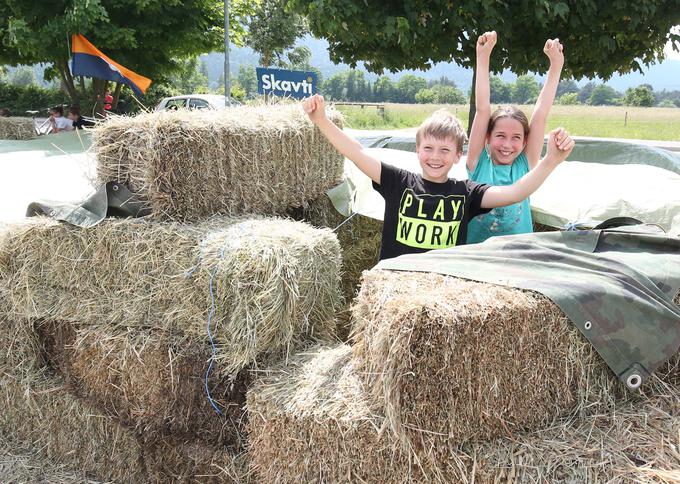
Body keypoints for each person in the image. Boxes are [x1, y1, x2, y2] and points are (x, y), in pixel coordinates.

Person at [302, 94, 574, 261]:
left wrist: (551, 161)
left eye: (445, 150)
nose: (435, 156)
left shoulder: (466, 192)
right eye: (429, 148)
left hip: (439, 286)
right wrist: (322, 121)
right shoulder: (399, 182)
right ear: (417, 150)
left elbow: (514, 193)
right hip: (395, 280)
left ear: (457, 156)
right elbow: (357, 152)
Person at [466, 31, 565, 243]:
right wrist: (482, 58)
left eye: (516, 138)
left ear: (525, 141)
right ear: (487, 138)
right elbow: (483, 109)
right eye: (500, 136)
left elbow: (540, 114)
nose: (507, 145)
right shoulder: (478, 163)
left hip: (519, 256)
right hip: (475, 257)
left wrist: (556, 66)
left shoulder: (525, 164)